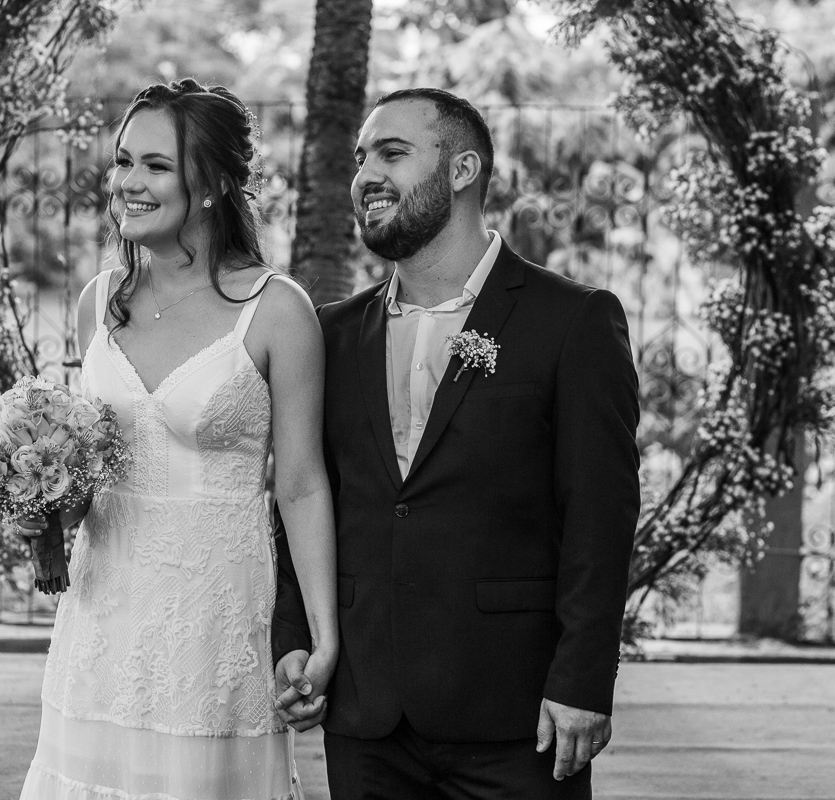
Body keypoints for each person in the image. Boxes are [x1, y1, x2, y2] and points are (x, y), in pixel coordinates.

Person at [272, 88, 640, 799]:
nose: (366, 175)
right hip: (368, 714)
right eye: (360, 159)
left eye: (392, 153)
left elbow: (601, 516)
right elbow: (300, 495)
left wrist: (583, 681)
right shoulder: (332, 334)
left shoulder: (573, 321)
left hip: (517, 714)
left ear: (464, 169)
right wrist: (295, 637)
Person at [18, 79, 338, 800]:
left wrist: (323, 637)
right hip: (102, 615)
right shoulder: (99, 302)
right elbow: (97, 470)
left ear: (215, 185)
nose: (129, 182)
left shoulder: (277, 311)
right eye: (124, 161)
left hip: (214, 623)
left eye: (156, 166)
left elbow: (301, 484)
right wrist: (44, 506)